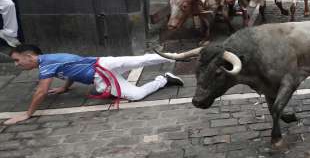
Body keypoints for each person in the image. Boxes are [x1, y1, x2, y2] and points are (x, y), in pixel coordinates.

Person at [4, 44, 184, 125]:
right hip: (102, 69)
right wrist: (65, 87)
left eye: (17, 60)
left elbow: (40, 92)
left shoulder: (46, 64)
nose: (17, 64)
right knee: (137, 85)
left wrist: (27, 115)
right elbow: (69, 70)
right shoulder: (48, 61)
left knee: (140, 60)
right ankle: (164, 79)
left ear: (29, 56)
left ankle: (180, 55)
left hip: (102, 69)